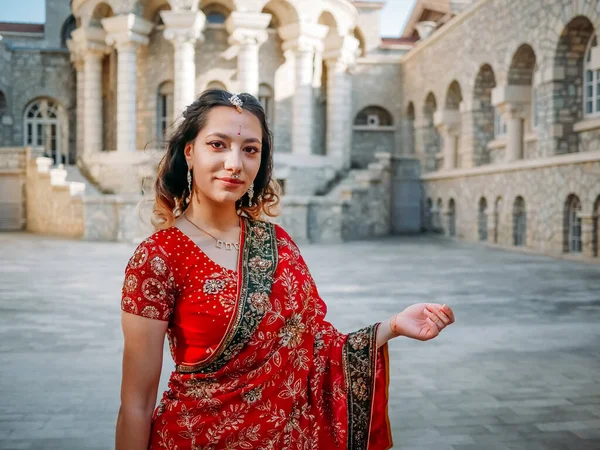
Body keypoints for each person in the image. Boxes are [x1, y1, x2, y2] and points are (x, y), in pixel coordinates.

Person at [115, 89, 455, 450]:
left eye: (250, 149)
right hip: (196, 438)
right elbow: (136, 403)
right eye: (218, 144)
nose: (235, 163)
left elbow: (314, 346)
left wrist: (392, 327)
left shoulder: (276, 242)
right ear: (189, 151)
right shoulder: (159, 257)